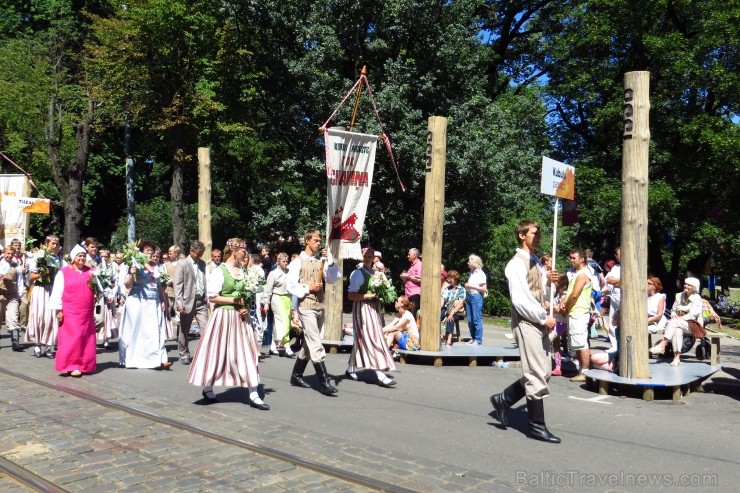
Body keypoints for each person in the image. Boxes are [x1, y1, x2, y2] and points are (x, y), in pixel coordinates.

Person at [489, 220, 560, 443]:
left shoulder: (536, 262)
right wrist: (542, 317)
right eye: (534, 233)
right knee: (537, 373)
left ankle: (503, 399)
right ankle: (536, 426)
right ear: (522, 235)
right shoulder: (516, 264)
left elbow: (541, 293)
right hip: (527, 323)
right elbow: (520, 300)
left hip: (540, 323)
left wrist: (552, 283)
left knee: (543, 371)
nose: (538, 237)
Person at [186, 238, 269, 410]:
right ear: (233, 251)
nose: (245, 255)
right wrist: (235, 300)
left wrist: (244, 306)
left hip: (241, 318)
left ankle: (253, 393)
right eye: (242, 251)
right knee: (218, 354)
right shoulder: (220, 271)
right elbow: (213, 297)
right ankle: (207, 387)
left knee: (247, 354)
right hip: (223, 316)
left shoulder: (242, 271)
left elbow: (247, 293)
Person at [286, 229, 340, 396]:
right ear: (307, 241)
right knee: (315, 342)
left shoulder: (320, 261)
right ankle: (324, 382)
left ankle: (296, 375)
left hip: (319, 306)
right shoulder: (297, 262)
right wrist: (307, 287)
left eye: (319, 240)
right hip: (306, 307)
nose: (318, 243)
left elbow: (332, 278)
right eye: (315, 240)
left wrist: (330, 261)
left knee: (309, 344)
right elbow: (290, 285)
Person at [345, 247, 396, 387]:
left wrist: (383, 295)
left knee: (364, 338)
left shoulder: (378, 274)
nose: (367, 258)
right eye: (365, 255)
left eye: (370, 256)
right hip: (362, 309)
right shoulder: (357, 273)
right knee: (371, 338)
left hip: (374, 309)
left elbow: (385, 292)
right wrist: (369, 296)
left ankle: (350, 369)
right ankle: (379, 373)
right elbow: (351, 295)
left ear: (374, 258)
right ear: (361, 256)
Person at [118, 241, 171, 369]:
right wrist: (132, 273)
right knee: (137, 330)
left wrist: (163, 300)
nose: (150, 251)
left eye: (151, 249)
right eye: (147, 249)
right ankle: (135, 358)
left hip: (154, 301)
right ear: (141, 251)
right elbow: (127, 284)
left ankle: (159, 358)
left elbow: (159, 285)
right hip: (138, 300)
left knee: (155, 329)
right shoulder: (134, 263)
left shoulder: (155, 266)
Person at [48, 244, 97, 377]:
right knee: (73, 338)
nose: (82, 258)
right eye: (79, 256)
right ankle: (72, 365)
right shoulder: (63, 272)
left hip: (86, 311)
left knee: (86, 338)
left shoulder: (91, 271)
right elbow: (57, 292)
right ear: (73, 258)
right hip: (71, 311)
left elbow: (97, 288)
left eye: (83, 256)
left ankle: (85, 364)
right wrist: (58, 310)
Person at [649, 277, 703, 367]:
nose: (686, 286)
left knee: (674, 323)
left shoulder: (697, 298)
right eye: (685, 284)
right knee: (677, 330)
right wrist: (673, 314)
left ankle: (662, 345)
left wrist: (676, 319)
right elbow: (673, 309)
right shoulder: (679, 295)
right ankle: (676, 358)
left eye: (689, 285)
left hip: (693, 325)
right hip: (679, 324)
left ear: (694, 287)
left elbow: (692, 315)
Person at [26, 234, 64, 358]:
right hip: (40, 289)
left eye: (57, 244)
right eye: (53, 243)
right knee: (39, 316)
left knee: (51, 318)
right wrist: (43, 273)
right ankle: (37, 343)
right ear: (46, 244)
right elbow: (31, 277)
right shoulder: (38, 257)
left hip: (53, 289)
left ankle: (48, 346)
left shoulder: (59, 259)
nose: (55, 246)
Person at [173, 240, 208, 365]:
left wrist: (207, 298)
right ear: (191, 251)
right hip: (187, 301)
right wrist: (179, 303)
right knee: (184, 329)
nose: (200, 256)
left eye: (201, 254)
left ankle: (204, 354)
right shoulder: (182, 264)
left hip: (201, 301)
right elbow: (177, 285)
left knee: (206, 329)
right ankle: (184, 353)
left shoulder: (202, 264)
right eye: (198, 254)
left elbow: (204, 280)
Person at [560, 248, 592, 383]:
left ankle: (585, 372)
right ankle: (581, 370)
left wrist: (565, 306)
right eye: (570, 257)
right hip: (574, 312)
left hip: (579, 312)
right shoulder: (577, 273)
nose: (571, 260)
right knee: (577, 344)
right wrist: (563, 301)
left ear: (582, 259)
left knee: (581, 343)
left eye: (574, 258)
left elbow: (574, 294)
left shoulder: (583, 275)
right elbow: (570, 293)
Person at [262, 252, 292, 357]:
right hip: (277, 298)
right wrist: (266, 303)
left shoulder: (289, 272)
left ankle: (273, 347)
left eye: (287, 261)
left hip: (287, 299)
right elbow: (268, 289)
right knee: (282, 323)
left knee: (286, 322)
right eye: (283, 261)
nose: (286, 263)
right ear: (278, 262)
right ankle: (287, 347)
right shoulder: (273, 273)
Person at [0, 246, 24, 351]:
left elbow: (20, 282)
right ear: (4, 253)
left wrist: (19, 295)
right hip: (1, 295)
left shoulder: (16, 266)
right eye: (8, 253)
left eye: (12, 254)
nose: (10, 256)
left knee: (13, 318)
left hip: (12, 295)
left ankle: (15, 343)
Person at [464, 254, 487, 345]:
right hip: (469, 296)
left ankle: (478, 340)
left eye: (469, 260)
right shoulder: (471, 272)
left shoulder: (480, 273)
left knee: (476, 319)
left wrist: (471, 286)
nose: (468, 262)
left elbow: (484, 288)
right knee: (470, 319)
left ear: (474, 262)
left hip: (476, 296)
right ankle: (473, 338)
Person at [440, 270, 465, 346]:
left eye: (451, 278)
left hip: (457, 311)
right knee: (438, 315)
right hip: (447, 309)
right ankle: (440, 336)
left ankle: (449, 339)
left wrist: (451, 313)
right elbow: (442, 300)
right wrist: (438, 309)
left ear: (456, 279)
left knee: (451, 318)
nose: (449, 280)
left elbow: (460, 304)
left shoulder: (461, 289)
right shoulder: (447, 289)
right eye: (448, 278)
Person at [604, 247, 621, 351]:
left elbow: (629, 280)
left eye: (617, 253)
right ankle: (614, 345)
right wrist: (621, 281)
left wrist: (619, 282)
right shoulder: (616, 267)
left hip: (625, 298)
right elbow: (609, 280)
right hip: (615, 298)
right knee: (612, 321)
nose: (616, 255)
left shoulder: (631, 266)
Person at [399, 248, 422, 317]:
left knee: (412, 315)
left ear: (414, 255)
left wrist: (408, 276)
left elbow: (421, 279)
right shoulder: (411, 266)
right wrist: (404, 278)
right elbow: (411, 279)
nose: (407, 256)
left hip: (415, 295)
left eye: (409, 254)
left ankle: (413, 328)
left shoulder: (419, 265)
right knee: (407, 315)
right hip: (408, 294)